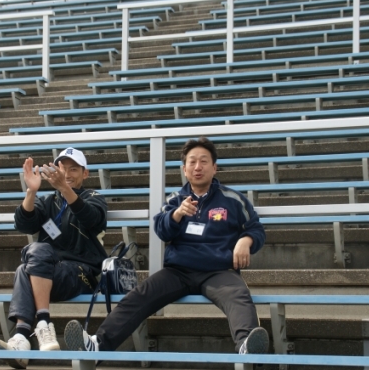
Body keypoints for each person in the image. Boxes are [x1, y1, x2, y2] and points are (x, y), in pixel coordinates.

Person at [64, 137, 270, 355]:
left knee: (238, 295)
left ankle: (246, 346)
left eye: (204, 161)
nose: (198, 167)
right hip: (178, 271)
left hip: (219, 271)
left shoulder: (233, 200)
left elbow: (256, 229)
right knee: (138, 295)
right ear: (184, 169)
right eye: (192, 162)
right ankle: (97, 344)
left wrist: (246, 240)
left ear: (214, 167)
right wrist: (177, 214)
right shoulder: (175, 200)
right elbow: (161, 230)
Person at [0, 147, 108, 369]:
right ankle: (26, 336)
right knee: (28, 264)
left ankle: (30, 331)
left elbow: (92, 219)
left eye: (74, 169)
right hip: (45, 273)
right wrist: (31, 192)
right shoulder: (47, 201)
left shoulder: (94, 198)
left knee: (30, 261)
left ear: (85, 173)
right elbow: (23, 224)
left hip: (81, 273)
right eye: (62, 168)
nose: (67, 174)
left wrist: (65, 189)